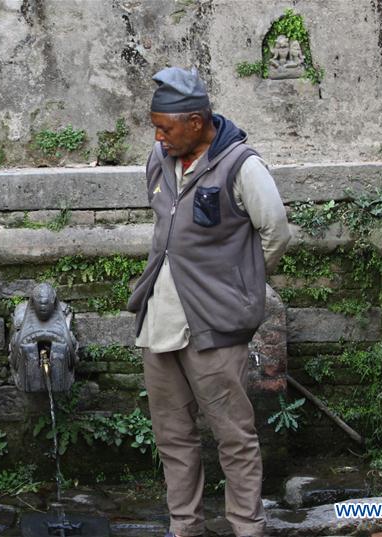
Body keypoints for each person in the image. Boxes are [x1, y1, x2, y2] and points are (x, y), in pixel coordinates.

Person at [127, 66, 291, 537]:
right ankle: (185, 528)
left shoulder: (244, 167)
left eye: (166, 127)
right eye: (155, 126)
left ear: (196, 122)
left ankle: (246, 527)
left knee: (234, 437)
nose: (158, 135)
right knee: (173, 437)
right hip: (160, 321)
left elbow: (275, 232)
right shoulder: (159, 157)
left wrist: (238, 280)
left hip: (215, 326)